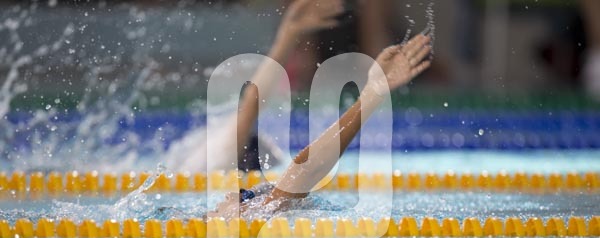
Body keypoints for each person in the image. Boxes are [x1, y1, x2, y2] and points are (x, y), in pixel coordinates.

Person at [208, 32, 432, 220]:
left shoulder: (249, 216)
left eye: (244, 195)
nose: (229, 195)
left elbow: (303, 172)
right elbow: (304, 170)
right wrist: (372, 93)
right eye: (244, 194)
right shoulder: (248, 216)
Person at [170, 0, 346, 172]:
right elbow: (252, 101)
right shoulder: (219, 159)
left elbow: (251, 104)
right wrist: (289, 32)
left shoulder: (210, 156)